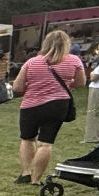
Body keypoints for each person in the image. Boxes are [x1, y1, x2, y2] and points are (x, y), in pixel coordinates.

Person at [11, 29, 84, 185]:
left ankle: (26, 172)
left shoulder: (32, 62)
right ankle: (36, 179)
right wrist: (66, 84)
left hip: (31, 104)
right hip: (58, 104)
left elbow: (17, 87)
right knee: (46, 142)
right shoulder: (74, 61)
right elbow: (81, 83)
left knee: (27, 138)